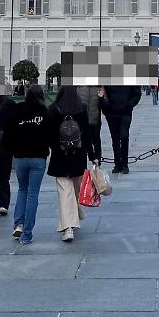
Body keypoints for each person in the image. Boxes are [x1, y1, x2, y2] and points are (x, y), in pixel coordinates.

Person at [47, 86, 99, 242]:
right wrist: (93, 155)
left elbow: (49, 135)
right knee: (76, 189)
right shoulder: (81, 109)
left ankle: (68, 228)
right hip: (78, 156)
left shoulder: (53, 109)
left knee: (64, 193)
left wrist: (53, 148)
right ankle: (75, 213)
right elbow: (87, 135)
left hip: (60, 157)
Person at [7, 84, 51, 244]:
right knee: (33, 194)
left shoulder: (18, 109)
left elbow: (10, 132)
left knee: (22, 190)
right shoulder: (45, 112)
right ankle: (27, 234)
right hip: (38, 157)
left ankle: (18, 224)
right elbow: (50, 135)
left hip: (20, 157)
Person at [100, 85, 142, 174]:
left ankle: (125, 164)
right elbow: (102, 92)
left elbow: (137, 94)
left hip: (125, 113)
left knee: (124, 136)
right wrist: (106, 108)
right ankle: (117, 164)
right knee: (115, 139)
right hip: (111, 113)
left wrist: (129, 105)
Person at [76, 85, 103, 166]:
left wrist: (101, 98)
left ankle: (97, 162)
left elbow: (105, 104)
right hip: (82, 122)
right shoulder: (80, 88)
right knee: (83, 143)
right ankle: (83, 165)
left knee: (96, 142)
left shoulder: (99, 88)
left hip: (95, 121)